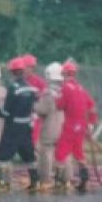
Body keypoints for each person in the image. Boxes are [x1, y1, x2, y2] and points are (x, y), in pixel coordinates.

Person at [0, 56, 39, 193]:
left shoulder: (13, 88)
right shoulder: (31, 88)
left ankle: (2, 183)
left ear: (13, 72)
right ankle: (35, 182)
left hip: (12, 127)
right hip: (26, 126)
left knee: (2, 156)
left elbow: (7, 110)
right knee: (29, 156)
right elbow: (33, 107)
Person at [55, 60, 98, 193]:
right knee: (79, 154)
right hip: (82, 127)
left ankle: (60, 182)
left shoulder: (65, 88)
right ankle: (84, 181)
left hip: (70, 126)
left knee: (60, 154)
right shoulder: (81, 88)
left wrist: (56, 98)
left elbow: (59, 106)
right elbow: (92, 107)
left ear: (64, 74)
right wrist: (91, 123)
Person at [34, 62, 66, 192]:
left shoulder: (47, 94)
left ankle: (46, 180)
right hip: (63, 126)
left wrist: (34, 104)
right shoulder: (66, 90)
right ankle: (64, 180)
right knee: (64, 155)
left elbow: (41, 110)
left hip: (50, 127)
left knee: (46, 152)